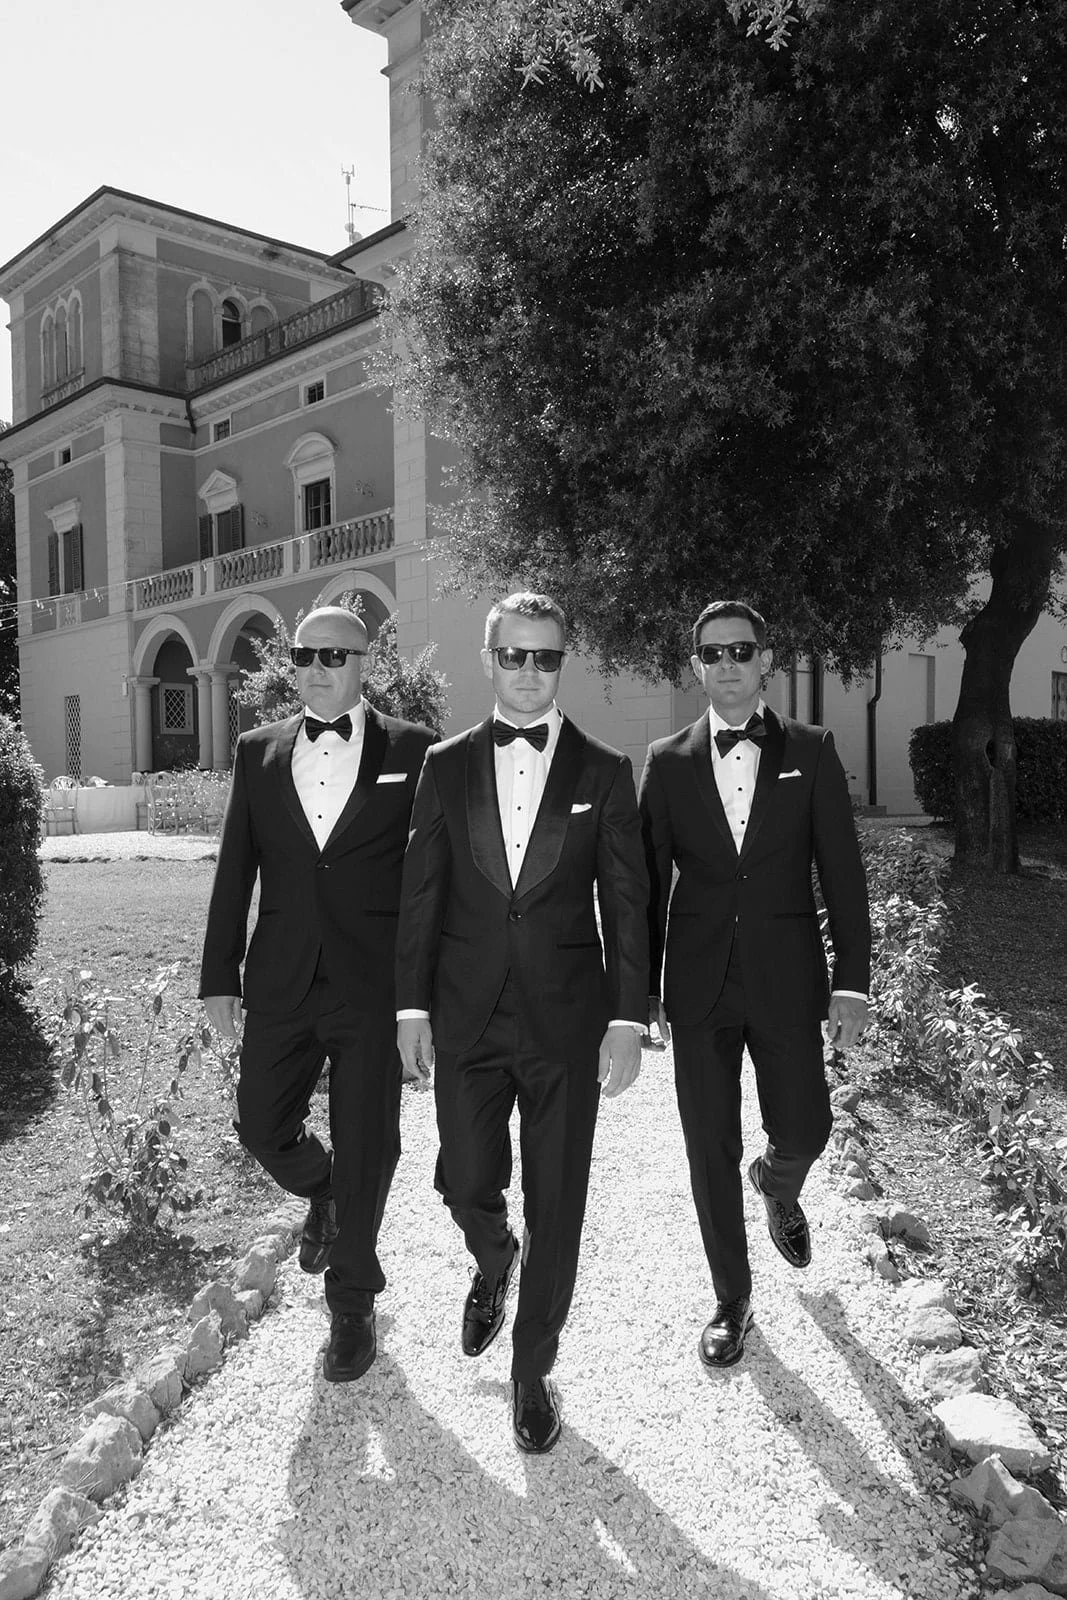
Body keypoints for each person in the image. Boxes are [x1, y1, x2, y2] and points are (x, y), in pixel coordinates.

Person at [395, 592, 649, 1453]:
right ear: (489, 658)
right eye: (515, 656)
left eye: (546, 658)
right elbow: (421, 893)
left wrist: (626, 1017)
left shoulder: (604, 770)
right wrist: (411, 1005)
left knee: (560, 1198)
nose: (530, 674)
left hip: (566, 1020)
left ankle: (531, 1368)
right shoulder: (444, 765)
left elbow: (626, 900)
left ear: (561, 662)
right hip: (465, 1011)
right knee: (464, 1178)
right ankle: (493, 1254)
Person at [199, 605, 436, 1383]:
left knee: (372, 1142)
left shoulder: (416, 750)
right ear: (292, 663)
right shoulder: (256, 751)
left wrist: (425, 994)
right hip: (282, 979)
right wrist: (217, 978)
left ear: (366, 661)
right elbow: (236, 868)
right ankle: (324, 1192)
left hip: (373, 988)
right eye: (306, 653)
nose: (320, 666)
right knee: (261, 1123)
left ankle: (351, 1304)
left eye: (336, 654)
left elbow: (435, 881)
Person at [638, 600, 870, 1370]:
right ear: (695, 666)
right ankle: (730, 1299)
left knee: (806, 1126)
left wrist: (852, 982)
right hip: (697, 985)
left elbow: (842, 873)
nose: (727, 663)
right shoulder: (666, 761)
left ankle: (776, 1179)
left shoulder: (812, 748)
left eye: (740, 649)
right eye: (711, 653)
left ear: (764, 658)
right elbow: (645, 882)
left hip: (787, 977)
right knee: (707, 1146)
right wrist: (637, 988)